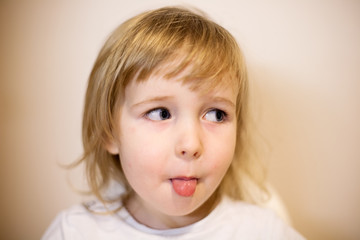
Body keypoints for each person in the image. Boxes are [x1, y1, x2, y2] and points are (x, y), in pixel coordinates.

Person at [42, 6, 305, 239]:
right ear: (109, 132)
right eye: (160, 113)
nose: (191, 144)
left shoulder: (263, 231)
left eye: (216, 114)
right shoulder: (75, 232)